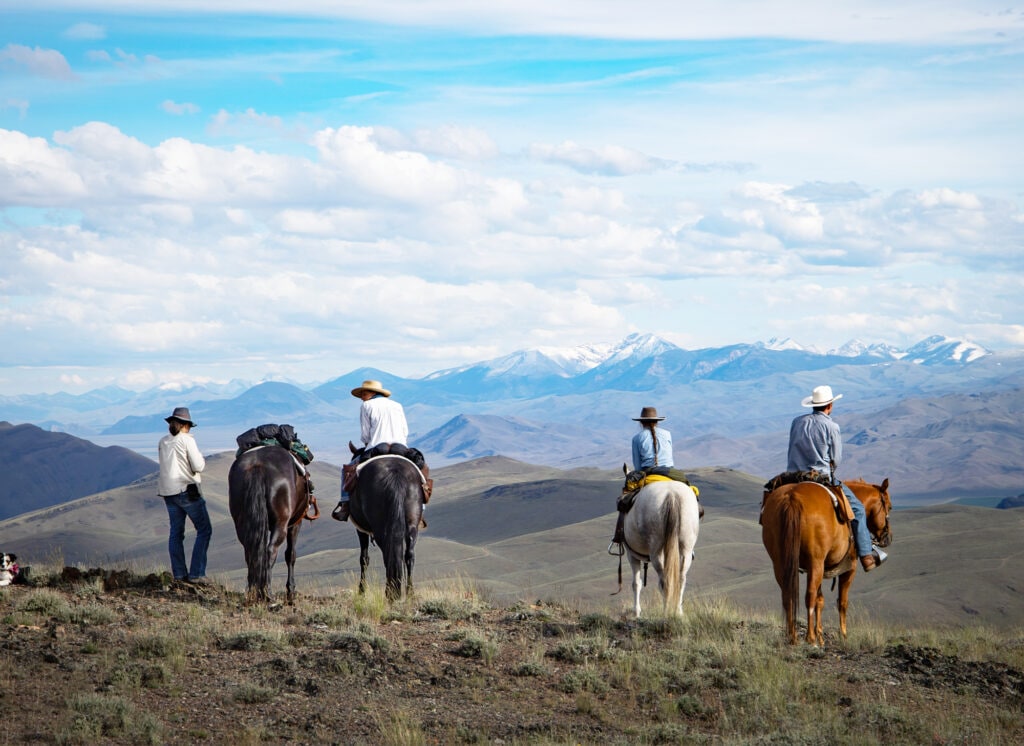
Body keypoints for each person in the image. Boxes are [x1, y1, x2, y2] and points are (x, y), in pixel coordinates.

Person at [787, 385, 885, 572]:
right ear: (829, 406)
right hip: (820, 476)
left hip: (792, 476)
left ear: (813, 405)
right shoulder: (831, 426)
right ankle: (866, 555)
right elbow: (836, 458)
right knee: (857, 509)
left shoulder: (796, 422)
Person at [332, 380, 410, 522]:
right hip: (400, 447)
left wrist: (368, 443)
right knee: (419, 468)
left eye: (364, 392)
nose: (362, 396)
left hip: (378, 447)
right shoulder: (397, 405)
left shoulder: (366, 406)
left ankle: (345, 505)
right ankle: (421, 509)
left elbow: (366, 434)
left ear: (374, 393)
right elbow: (405, 430)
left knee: (348, 470)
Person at [157, 407, 212, 584]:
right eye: (188, 426)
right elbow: (198, 466)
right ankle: (197, 573)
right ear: (184, 425)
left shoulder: (163, 441)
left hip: (168, 492)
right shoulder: (187, 440)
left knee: (176, 533)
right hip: (187, 490)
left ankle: (179, 575)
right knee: (204, 530)